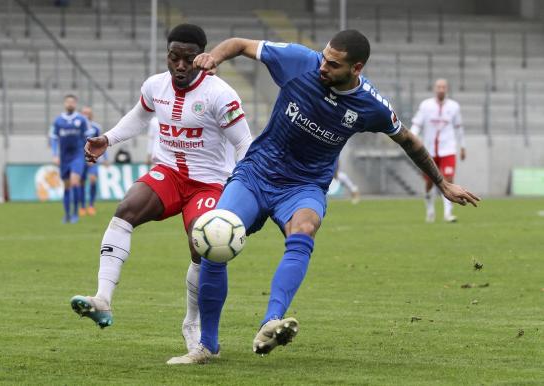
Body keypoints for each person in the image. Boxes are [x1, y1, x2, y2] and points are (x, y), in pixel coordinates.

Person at [166, 30, 480, 364]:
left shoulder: (371, 105)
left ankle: (271, 321)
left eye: (333, 63)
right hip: (257, 173)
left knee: (303, 229)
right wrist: (215, 56)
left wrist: (443, 183)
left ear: (356, 68)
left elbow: (409, 141)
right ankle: (206, 345)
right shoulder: (301, 61)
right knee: (214, 235)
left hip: (304, 186)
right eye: (325, 56)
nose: (323, 66)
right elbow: (241, 44)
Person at [69, 24, 252, 353]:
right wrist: (107, 139)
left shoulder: (220, 94)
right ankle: (103, 299)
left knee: (202, 245)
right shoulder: (155, 85)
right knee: (125, 211)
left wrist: (239, 186)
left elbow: (244, 144)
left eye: (188, 58)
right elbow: (139, 117)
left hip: (208, 181)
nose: (180, 65)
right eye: (173, 57)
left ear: (202, 57)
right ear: (167, 56)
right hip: (168, 173)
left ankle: (192, 323)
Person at [411, 78, 466, 223]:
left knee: (448, 180)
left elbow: (459, 127)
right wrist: (411, 139)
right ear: (435, 89)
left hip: (448, 149)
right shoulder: (426, 106)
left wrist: (463, 146)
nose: (441, 89)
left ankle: (448, 213)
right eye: (438, 87)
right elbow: (416, 124)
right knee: (429, 183)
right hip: (429, 151)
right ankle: (430, 210)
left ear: (446, 89)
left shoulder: (454, 107)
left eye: (443, 87)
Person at [49, 94, 89, 223]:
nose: (70, 104)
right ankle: (66, 214)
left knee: (75, 182)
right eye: (68, 102)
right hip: (64, 157)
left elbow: (87, 139)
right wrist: (55, 154)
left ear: (75, 104)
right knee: (66, 186)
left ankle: (75, 213)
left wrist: (88, 154)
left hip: (78, 155)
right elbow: (54, 139)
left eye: (72, 102)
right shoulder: (58, 121)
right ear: (64, 104)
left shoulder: (81, 120)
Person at [79, 106, 107, 216]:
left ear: (91, 115)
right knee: (81, 182)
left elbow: (102, 143)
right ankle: (81, 207)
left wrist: (105, 158)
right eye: (84, 113)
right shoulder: (78, 127)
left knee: (92, 180)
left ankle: (91, 205)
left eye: (88, 113)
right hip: (80, 158)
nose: (86, 115)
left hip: (92, 157)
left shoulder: (96, 127)